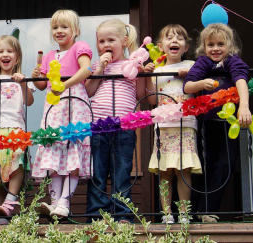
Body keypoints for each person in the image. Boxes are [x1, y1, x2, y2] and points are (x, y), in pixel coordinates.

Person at [85, 18, 152, 223]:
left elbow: (141, 95)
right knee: (98, 171)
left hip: (124, 125)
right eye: (101, 41)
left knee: (122, 170)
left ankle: (121, 213)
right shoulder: (97, 66)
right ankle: (96, 214)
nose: (105, 45)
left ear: (124, 41)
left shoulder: (131, 65)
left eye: (110, 40)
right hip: (99, 125)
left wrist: (143, 75)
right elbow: (88, 91)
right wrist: (99, 71)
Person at [184, 23, 251, 223]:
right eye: (210, 44)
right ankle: (197, 210)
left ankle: (209, 209)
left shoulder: (232, 61)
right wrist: (201, 84)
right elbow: (188, 85)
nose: (216, 48)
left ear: (229, 46)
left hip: (229, 123)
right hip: (207, 123)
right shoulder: (203, 62)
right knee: (205, 165)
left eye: (221, 44)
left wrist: (244, 106)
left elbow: (240, 80)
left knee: (224, 164)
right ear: (204, 47)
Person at [31, 9, 94, 218]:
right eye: (55, 27)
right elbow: (42, 85)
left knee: (73, 149)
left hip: (74, 103)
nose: (59, 31)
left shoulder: (80, 47)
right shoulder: (49, 55)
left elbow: (86, 70)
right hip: (54, 106)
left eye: (64, 27)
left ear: (75, 30)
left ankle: (65, 202)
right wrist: (36, 76)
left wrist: (64, 85)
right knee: (54, 151)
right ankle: (55, 202)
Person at [145, 24, 201, 224]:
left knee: (184, 169)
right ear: (161, 46)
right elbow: (151, 101)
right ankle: (167, 213)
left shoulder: (193, 65)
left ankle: (184, 213)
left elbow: (200, 80)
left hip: (185, 124)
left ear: (186, 47)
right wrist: (147, 76)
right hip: (163, 127)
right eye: (169, 38)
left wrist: (190, 75)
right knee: (165, 170)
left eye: (179, 38)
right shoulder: (158, 69)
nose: (174, 40)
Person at [0, 35, 34, 224]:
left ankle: (11, 200)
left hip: (15, 129)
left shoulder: (21, 79)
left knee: (16, 163)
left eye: (9, 51)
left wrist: (23, 83)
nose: (5, 54)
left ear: (17, 57)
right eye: (1, 51)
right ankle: (2, 218)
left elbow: (29, 101)